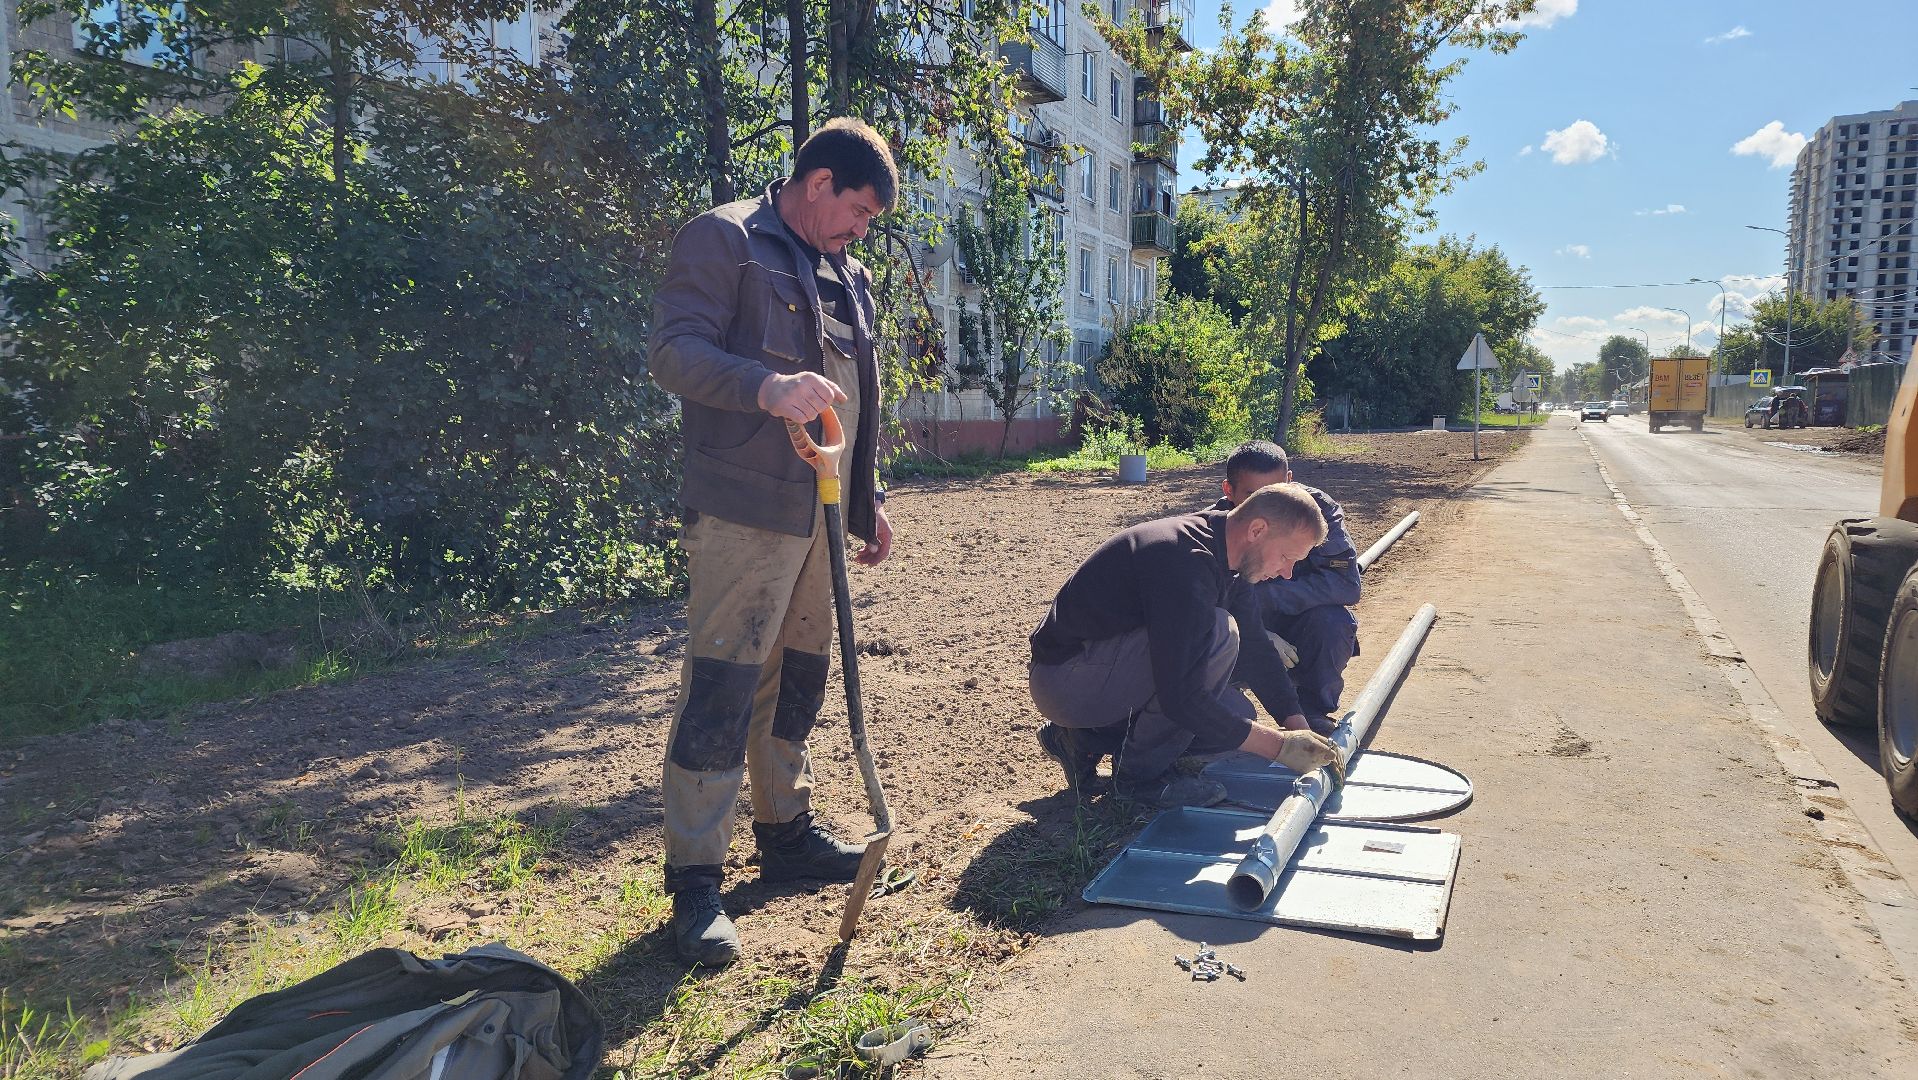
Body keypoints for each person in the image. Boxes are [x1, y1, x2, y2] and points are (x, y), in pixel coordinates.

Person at [648, 119, 898, 968]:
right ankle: (695, 882)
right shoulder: (725, 239)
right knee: (721, 687)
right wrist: (765, 385)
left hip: (822, 515)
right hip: (743, 510)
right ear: (818, 180)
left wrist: (866, 501)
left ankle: (785, 832)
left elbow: (857, 397)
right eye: (857, 209)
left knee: (799, 678)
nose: (862, 229)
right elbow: (674, 354)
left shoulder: (850, 273)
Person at [1028, 485, 1343, 808]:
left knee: (1235, 716)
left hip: (1099, 674)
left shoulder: (1229, 557)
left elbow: (1256, 650)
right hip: (1065, 681)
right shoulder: (1183, 561)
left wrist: (1301, 733)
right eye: (1287, 557)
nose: (1287, 573)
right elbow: (1180, 696)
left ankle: (1082, 739)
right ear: (1257, 530)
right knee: (1221, 635)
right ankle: (1138, 780)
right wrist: (1280, 747)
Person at [1214, 441, 1361, 735]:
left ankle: (1313, 710)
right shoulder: (1219, 523)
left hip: (1297, 619)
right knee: (1217, 631)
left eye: (1278, 490)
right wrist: (1256, 631)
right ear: (1228, 491)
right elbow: (1208, 600)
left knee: (1333, 622)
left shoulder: (1319, 511)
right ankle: (1223, 701)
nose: (1270, 505)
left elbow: (1346, 585)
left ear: (1290, 481)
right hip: (1245, 625)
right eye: (1254, 495)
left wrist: (1267, 598)